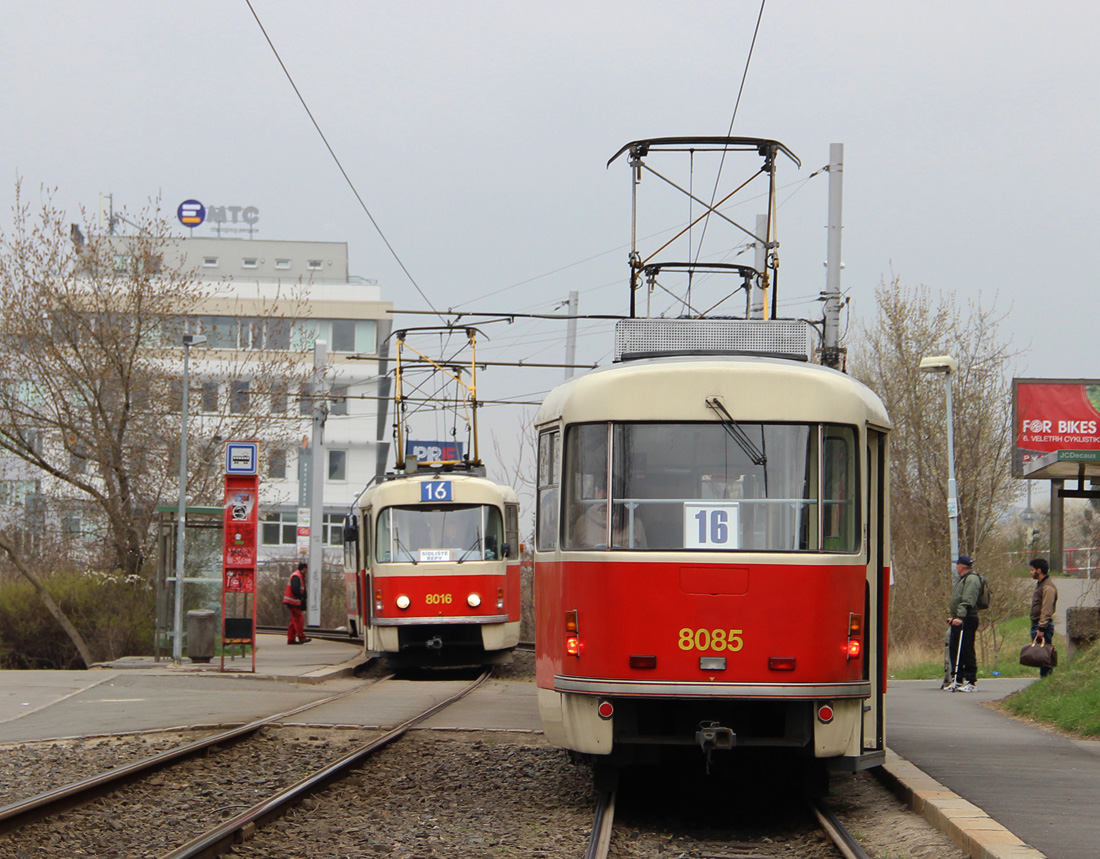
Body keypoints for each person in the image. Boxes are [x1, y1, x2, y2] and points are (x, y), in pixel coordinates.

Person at [945, 554, 981, 692]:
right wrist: (953, 617)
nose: (956, 567)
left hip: (967, 619)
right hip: (959, 619)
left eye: (957, 565)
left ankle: (971, 681)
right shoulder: (964, 579)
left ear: (961, 566)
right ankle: (958, 679)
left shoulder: (971, 579)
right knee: (955, 649)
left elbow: (967, 599)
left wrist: (960, 616)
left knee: (966, 649)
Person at [1029, 556, 1058, 678]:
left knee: (1045, 655)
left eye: (1032, 570)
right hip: (1037, 624)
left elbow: (1046, 609)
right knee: (1040, 655)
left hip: (1043, 626)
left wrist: (1041, 628)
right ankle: (1044, 678)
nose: (1031, 572)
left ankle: (1046, 679)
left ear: (1039, 570)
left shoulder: (1047, 587)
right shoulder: (1040, 585)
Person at [283, 561, 311, 644]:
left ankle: (291, 639)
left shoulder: (298, 575)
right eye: (307, 569)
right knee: (299, 620)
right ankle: (301, 637)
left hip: (294, 602)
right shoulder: (297, 576)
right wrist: (301, 597)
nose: (307, 571)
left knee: (294, 621)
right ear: (304, 568)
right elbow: (295, 589)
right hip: (293, 602)